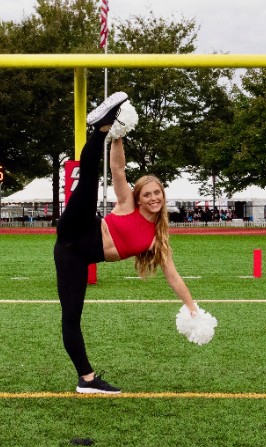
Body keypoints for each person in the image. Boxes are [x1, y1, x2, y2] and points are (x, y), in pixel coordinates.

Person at [54, 92, 201, 395]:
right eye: (147, 193)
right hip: (80, 227)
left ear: (163, 197)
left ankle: (87, 379)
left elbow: (172, 275)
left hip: (73, 255)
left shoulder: (157, 239)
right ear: (139, 197)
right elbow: (118, 171)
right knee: (89, 182)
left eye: (157, 193)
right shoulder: (127, 204)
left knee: (71, 317)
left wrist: (192, 307)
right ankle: (103, 127)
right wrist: (118, 135)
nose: (152, 197)